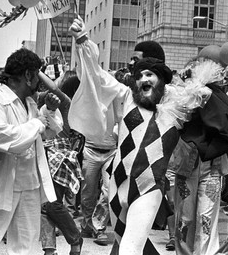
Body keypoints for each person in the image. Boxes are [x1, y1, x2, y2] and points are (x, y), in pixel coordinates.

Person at [67, 16, 218, 254]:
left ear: (161, 78)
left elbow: (211, 99)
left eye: (149, 74)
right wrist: (83, 40)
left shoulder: (177, 105)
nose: (143, 79)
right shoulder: (126, 97)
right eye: (139, 76)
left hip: (149, 188)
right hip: (117, 185)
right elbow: (96, 75)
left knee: (129, 248)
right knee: (122, 243)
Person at [0, 47, 59, 255]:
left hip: (28, 185)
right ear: (27, 75)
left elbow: (51, 133)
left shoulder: (31, 104)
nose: (39, 82)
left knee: (26, 248)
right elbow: (6, 139)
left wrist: (48, 111)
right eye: (37, 75)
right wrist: (38, 124)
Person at [172, 59, 228, 255]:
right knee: (189, 220)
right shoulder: (183, 95)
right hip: (190, 163)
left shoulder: (216, 98)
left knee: (205, 219)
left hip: (211, 164)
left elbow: (227, 129)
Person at [38, 71, 84, 255]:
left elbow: (54, 88)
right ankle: (49, 250)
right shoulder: (40, 102)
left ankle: (75, 239)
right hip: (44, 153)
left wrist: (37, 69)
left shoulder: (66, 103)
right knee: (45, 205)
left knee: (52, 204)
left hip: (59, 156)